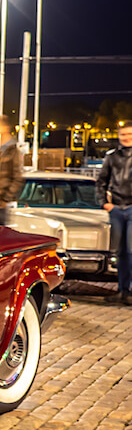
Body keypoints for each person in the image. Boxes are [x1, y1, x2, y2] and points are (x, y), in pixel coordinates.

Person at [96, 122, 132, 304]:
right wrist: (104, 203)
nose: (126, 137)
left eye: (129, 134)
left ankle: (129, 290)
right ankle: (123, 290)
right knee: (120, 252)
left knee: (131, 249)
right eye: (123, 134)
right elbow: (101, 181)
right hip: (117, 209)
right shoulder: (111, 157)